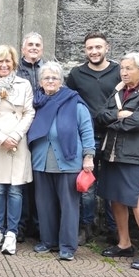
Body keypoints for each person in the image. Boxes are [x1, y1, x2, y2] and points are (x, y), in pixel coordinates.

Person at [96, 52, 139, 270]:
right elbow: (101, 116)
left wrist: (116, 120)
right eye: (122, 68)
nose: (123, 72)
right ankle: (124, 244)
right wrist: (119, 115)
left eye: (129, 68)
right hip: (112, 152)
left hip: (133, 155)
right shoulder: (119, 91)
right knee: (116, 197)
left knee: (135, 198)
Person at [27, 61, 96, 261]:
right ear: (40, 82)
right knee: (44, 204)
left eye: (54, 78)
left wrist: (88, 156)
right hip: (41, 161)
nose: (50, 81)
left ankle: (67, 246)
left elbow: (86, 129)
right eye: (46, 78)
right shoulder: (37, 102)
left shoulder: (74, 101)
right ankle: (48, 241)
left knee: (69, 206)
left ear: (61, 81)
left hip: (68, 161)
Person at [0, 45, 35, 255]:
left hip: (17, 144)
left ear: (14, 63)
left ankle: (12, 232)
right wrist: (1, 138)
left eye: (7, 61)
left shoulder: (24, 84)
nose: (3, 65)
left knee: (16, 189)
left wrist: (16, 136)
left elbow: (29, 113)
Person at [66, 31, 121, 244]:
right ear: (85, 50)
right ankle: (86, 225)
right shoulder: (76, 74)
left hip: (113, 137)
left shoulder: (118, 71)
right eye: (90, 48)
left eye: (98, 47)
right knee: (86, 186)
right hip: (86, 137)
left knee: (111, 185)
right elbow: (69, 103)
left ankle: (113, 228)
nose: (94, 51)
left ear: (107, 48)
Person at [15, 32, 44, 241]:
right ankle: (21, 225)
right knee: (22, 179)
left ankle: (39, 225)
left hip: (42, 131)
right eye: (30, 44)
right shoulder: (16, 71)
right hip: (20, 131)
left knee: (40, 181)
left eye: (37, 45)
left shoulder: (48, 70)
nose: (33, 48)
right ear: (23, 48)